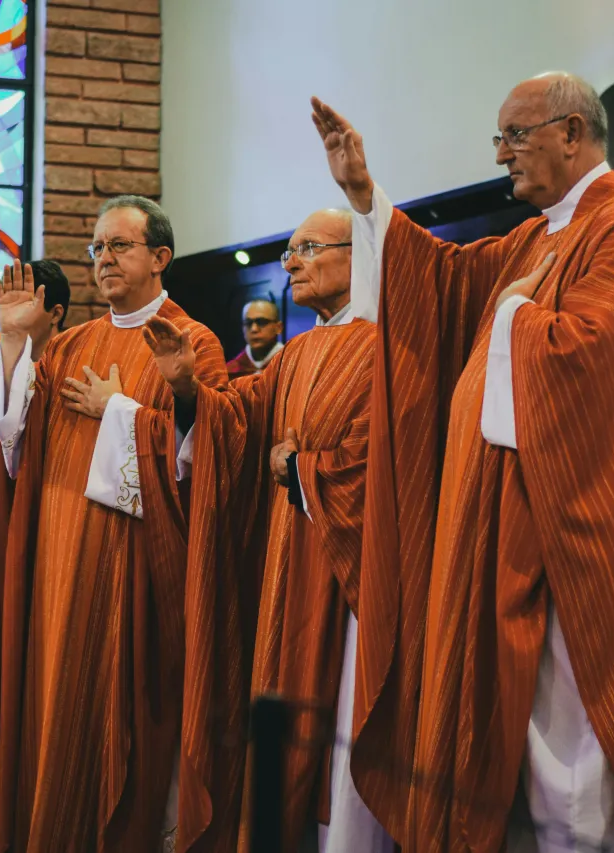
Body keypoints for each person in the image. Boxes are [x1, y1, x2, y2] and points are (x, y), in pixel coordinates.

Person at [312, 72, 614, 852]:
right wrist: (365, 195)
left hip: (583, 541)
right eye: (498, 139)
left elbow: (590, 367)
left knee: (574, 749)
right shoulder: (541, 235)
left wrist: (515, 317)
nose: (501, 154)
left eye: (515, 136)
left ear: (573, 133)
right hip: (512, 530)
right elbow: (445, 283)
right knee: (521, 753)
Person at [145, 208, 394, 853]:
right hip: (288, 562)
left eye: (308, 248)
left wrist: (300, 468)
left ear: (356, 253)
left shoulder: (389, 344)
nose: (291, 263)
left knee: (340, 739)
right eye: (288, 251)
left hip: (351, 576)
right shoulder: (299, 351)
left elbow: (384, 462)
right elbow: (238, 421)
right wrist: (189, 391)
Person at [0, 195, 227, 852]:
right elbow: (11, 444)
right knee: (60, 723)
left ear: (160, 257)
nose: (102, 259)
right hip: (61, 568)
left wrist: (119, 408)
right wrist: (15, 341)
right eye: (96, 248)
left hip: (137, 569)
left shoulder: (190, 339)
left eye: (118, 245)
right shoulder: (68, 345)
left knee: (124, 725)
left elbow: (208, 455)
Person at [22, 258, 70, 360]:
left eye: (24, 307)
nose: (12, 319)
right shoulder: (7, 369)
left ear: (55, 314)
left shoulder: (74, 369)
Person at [226, 298, 284, 380]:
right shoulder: (230, 371)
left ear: (278, 327)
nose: (254, 329)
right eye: (248, 323)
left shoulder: (290, 364)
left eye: (261, 322)